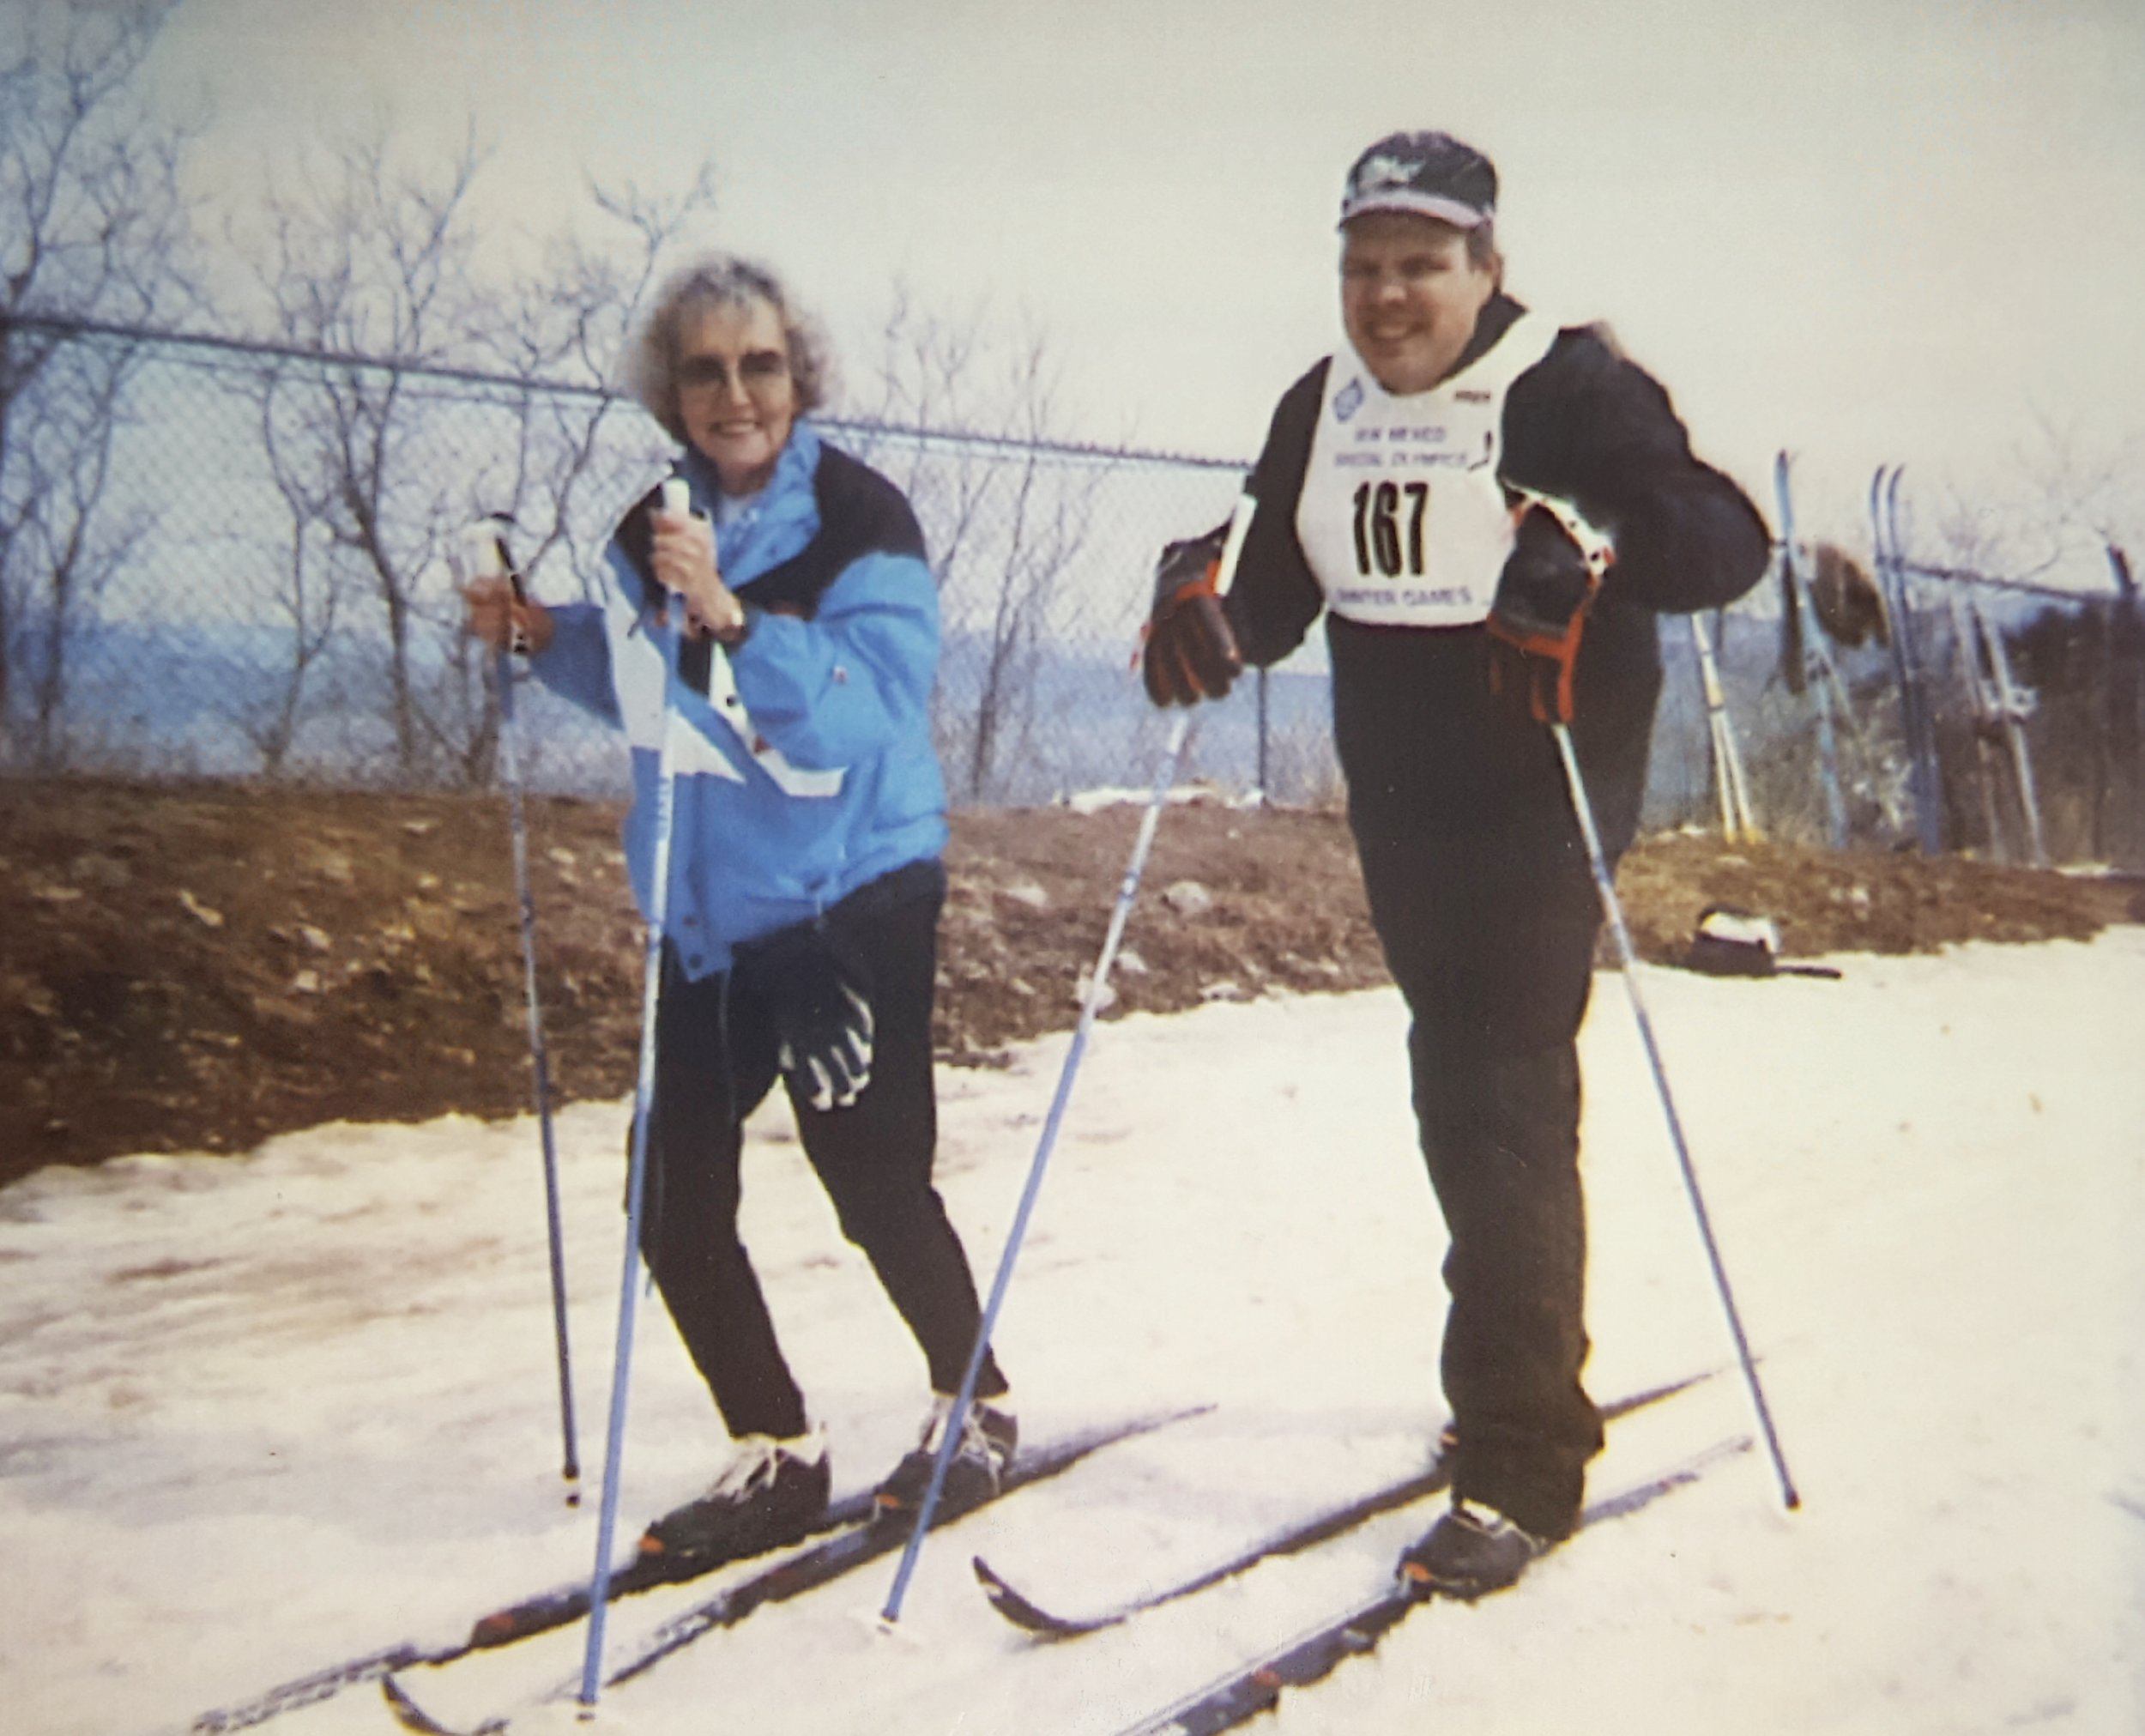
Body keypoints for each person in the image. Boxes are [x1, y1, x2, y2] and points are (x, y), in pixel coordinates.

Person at [1143, 132, 1769, 1597]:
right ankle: (1510, 1366)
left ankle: (1522, 1455)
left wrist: (1592, 543)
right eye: (1363, 267)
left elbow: (1722, 535)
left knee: (1500, 1081)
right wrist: (1205, 603)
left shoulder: (1564, 383)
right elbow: (1274, 571)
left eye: (1422, 265)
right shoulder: (1326, 401)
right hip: (1408, 783)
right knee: (1458, 1079)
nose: (1387, 296)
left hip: (1548, 769)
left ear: (1486, 268)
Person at [465, 254, 1012, 1566]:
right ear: (671, 388)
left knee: (869, 1173)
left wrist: (733, 614)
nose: (734, 393)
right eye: (704, 369)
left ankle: (975, 1402)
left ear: (798, 374)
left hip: (851, 893)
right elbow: (651, 682)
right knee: (672, 1199)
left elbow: (868, 714)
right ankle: (777, 1450)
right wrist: (543, 636)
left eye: (759, 364)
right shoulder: (644, 525)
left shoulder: (860, 522)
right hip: (709, 910)